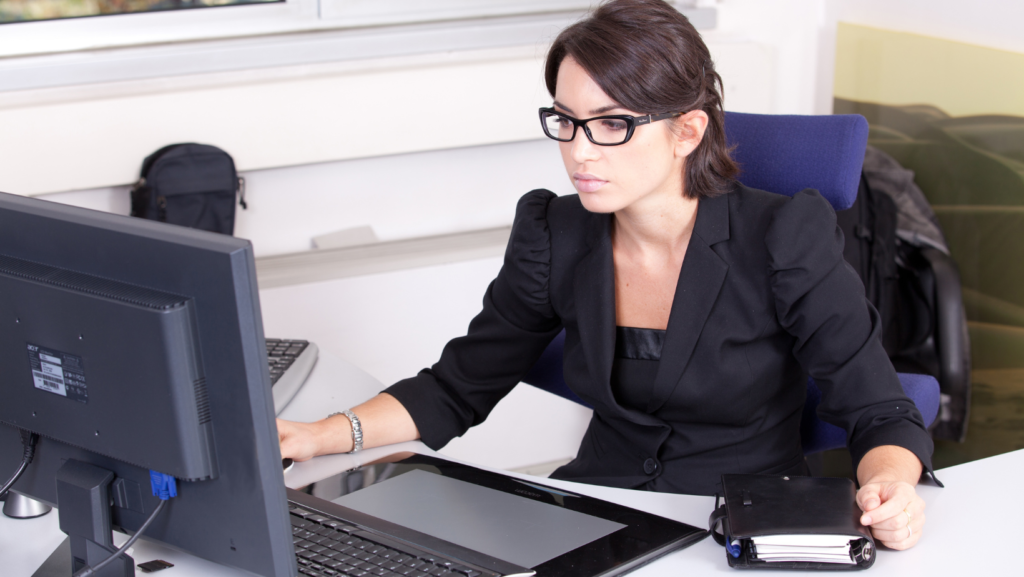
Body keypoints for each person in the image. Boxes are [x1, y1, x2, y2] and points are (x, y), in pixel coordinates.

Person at [278, 0, 933, 551]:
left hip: (733, 526)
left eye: (613, 124)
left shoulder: (782, 236)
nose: (579, 151)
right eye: (566, 121)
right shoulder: (556, 232)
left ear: (687, 131)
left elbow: (882, 411)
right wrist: (319, 434)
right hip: (596, 513)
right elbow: (458, 387)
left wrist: (892, 487)